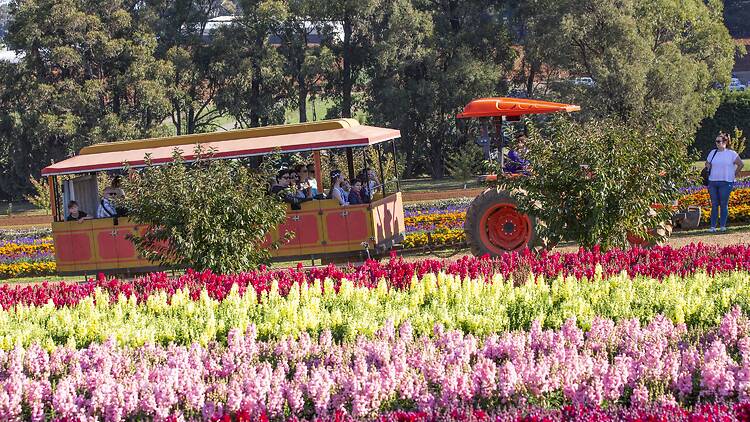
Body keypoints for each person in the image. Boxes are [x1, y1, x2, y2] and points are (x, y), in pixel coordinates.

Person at [705, 132, 745, 232]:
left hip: (726, 182)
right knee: (714, 204)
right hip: (712, 182)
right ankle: (712, 227)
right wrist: (707, 165)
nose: (717, 143)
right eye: (716, 141)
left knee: (723, 204)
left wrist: (733, 174)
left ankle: (722, 226)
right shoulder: (712, 152)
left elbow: (741, 164)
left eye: (719, 141)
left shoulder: (731, 154)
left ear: (725, 142)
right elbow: (707, 163)